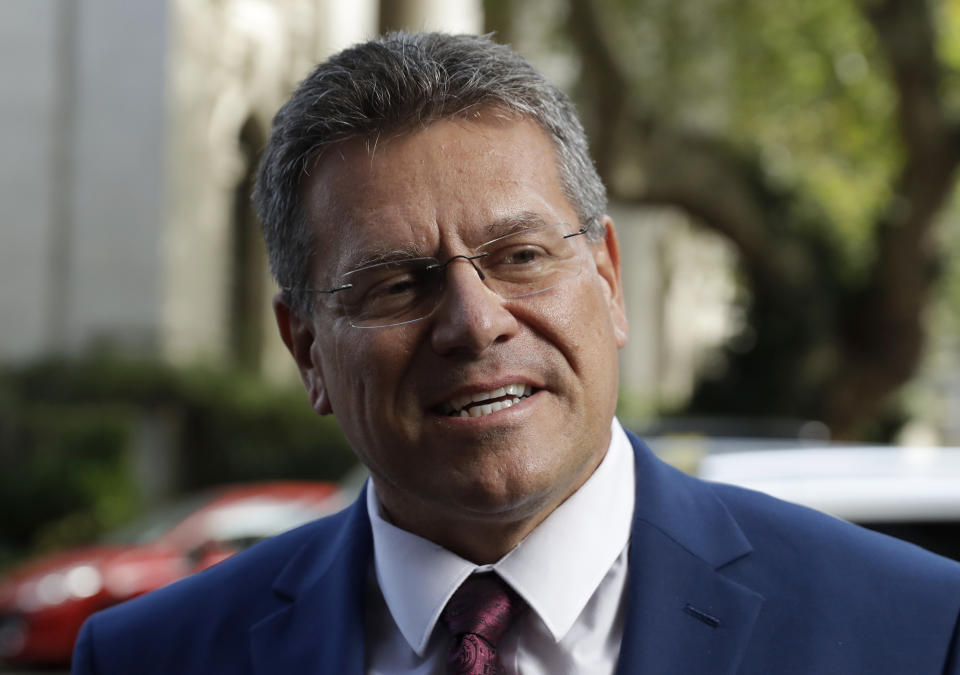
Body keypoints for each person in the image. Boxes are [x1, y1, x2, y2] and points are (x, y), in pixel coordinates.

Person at [72, 32, 960, 674]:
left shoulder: (911, 628)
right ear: (306, 349)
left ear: (607, 278)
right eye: (397, 284)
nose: (475, 321)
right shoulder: (152, 654)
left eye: (522, 257)